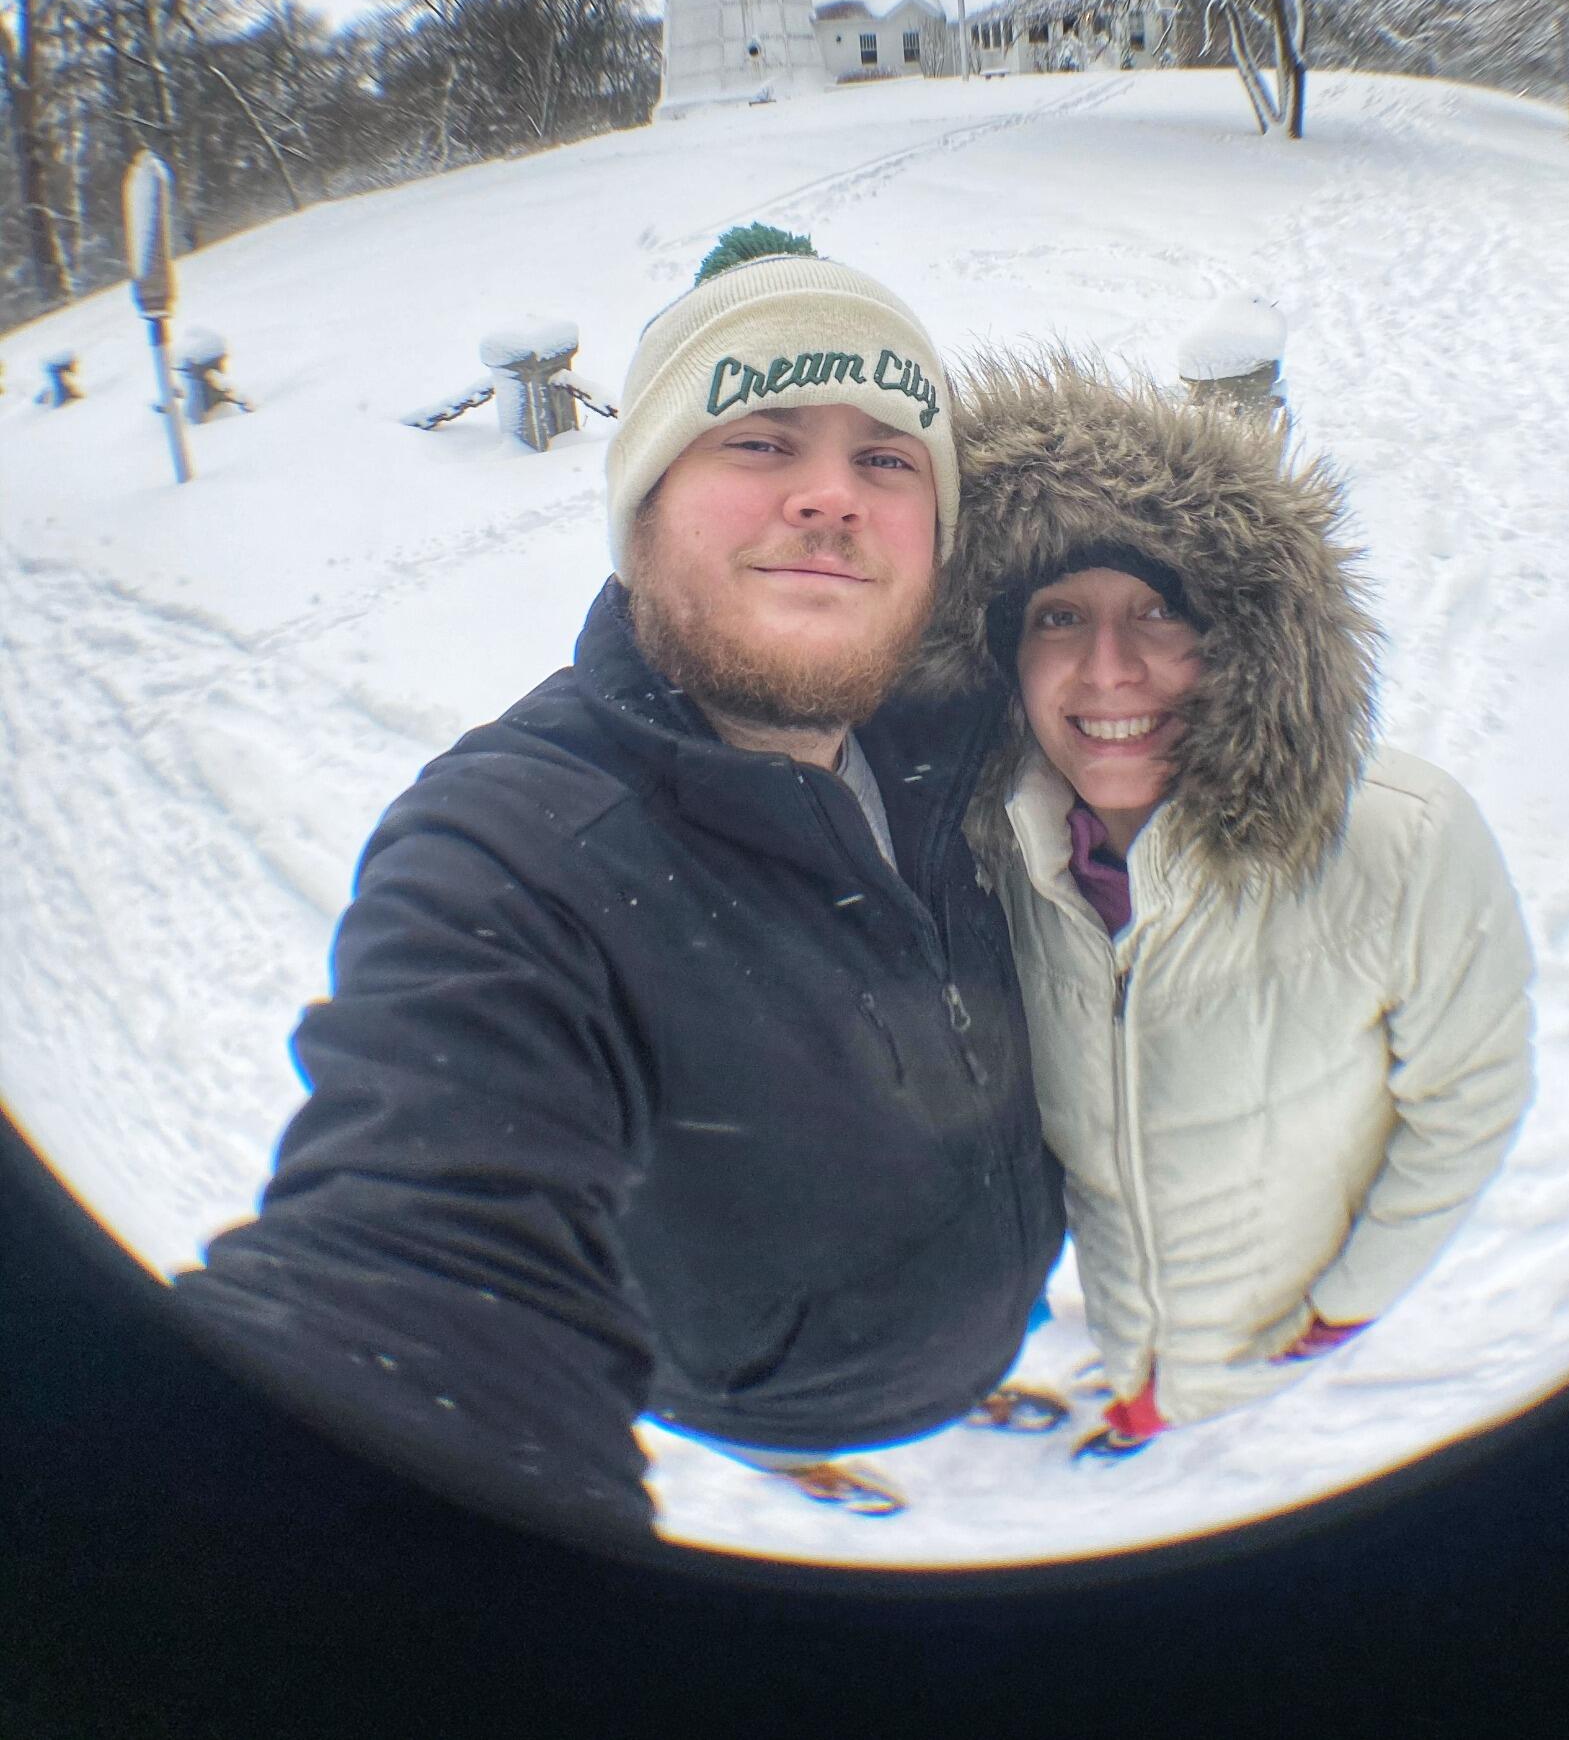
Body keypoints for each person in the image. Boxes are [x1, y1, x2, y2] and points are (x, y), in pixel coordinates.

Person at [170, 231, 1064, 1544]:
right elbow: (416, 1275)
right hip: (773, 1382)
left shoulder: (1001, 735)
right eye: (756, 442)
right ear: (639, 510)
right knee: (801, 1420)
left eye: (884, 457)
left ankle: (967, 1371)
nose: (829, 497)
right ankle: (798, 1458)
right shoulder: (510, 852)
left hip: (999, 1289)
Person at [921, 348, 1535, 1461]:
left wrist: (1352, 1303)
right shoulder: (982, 854)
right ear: (1000, 656)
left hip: (1287, 1367)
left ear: (1240, 641)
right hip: (1125, 1305)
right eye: (1059, 616)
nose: (1108, 671)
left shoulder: (1401, 839)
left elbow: (1469, 1100)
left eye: (1158, 610)